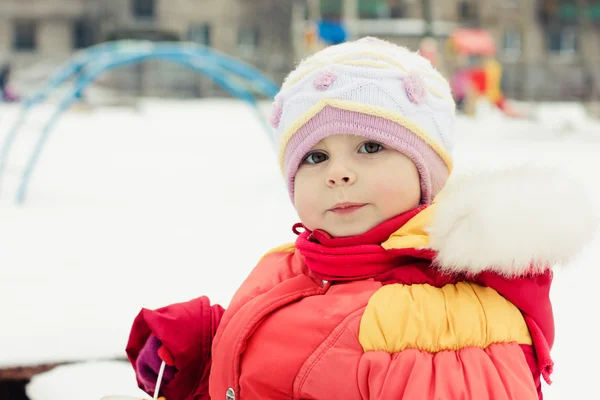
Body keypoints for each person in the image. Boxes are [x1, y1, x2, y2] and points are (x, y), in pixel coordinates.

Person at [125, 37, 597, 400]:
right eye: (315, 157)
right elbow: (303, 363)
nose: (339, 174)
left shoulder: (443, 329)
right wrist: (209, 350)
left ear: (424, 171)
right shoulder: (297, 263)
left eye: (370, 147)